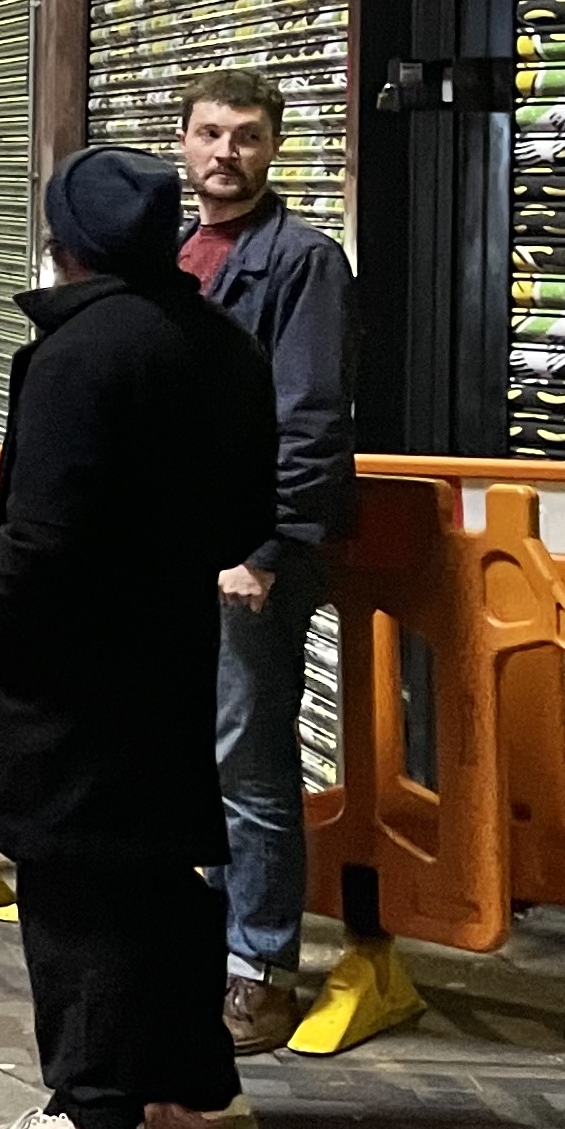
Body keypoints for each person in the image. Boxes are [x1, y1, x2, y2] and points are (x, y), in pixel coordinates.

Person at [0, 147, 280, 1129]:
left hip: (65, 668)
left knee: (73, 877)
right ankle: (199, 1100)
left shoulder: (82, 354)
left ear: (67, 241)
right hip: (167, 655)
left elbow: (40, 535)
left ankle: (97, 1118)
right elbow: (246, 517)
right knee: (153, 876)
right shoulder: (222, 345)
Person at [174, 67, 357, 1053]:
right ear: (184, 142)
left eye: (245, 136)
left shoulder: (303, 260)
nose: (225, 155)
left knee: (248, 761)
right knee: (185, 756)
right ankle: (200, 943)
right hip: (174, 550)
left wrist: (264, 547)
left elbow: (311, 417)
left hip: (249, 557)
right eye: (209, 134)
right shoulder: (170, 253)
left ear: (274, 147)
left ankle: (259, 967)